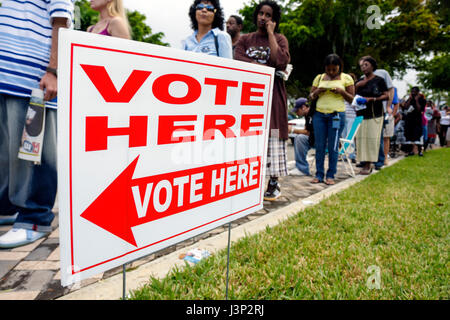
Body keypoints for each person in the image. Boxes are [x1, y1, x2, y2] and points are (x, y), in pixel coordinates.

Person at [0, 1, 74, 248]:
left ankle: (35, 218)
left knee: (34, 150)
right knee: (6, 151)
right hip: (6, 75)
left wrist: (54, 70)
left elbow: (62, 20)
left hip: (32, 76)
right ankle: (9, 207)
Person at [234, 0, 290, 200]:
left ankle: (274, 182)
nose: (263, 18)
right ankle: (248, 182)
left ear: (273, 20)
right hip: (249, 96)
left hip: (273, 96)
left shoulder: (280, 39)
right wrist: (264, 68)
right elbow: (238, 59)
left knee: (273, 134)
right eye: (261, 14)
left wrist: (271, 35)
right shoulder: (245, 39)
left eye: (268, 15)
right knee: (249, 135)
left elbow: (280, 62)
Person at [309, 54, 354, 185]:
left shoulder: (347, 78)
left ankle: (331, 175)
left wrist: (341, 92)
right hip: (319, 115)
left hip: (337, 115)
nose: (331, 72)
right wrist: (318, 91)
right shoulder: (319, 78)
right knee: (320, 146)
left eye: (334, 69)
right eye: (329, 69)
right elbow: (311, 96)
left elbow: (352, 99)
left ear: (340, 67)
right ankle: (318, 174)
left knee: (333, 146)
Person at [354, 56, 389, 174]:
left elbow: (386, 95)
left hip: (375, 114)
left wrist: (372, 99)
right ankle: (364, 162)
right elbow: (352, 95)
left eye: (366, 65)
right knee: (361, 139)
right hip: (361, 113)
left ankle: (369, 164)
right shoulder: (359, 81)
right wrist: (358, 86)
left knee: (371, 139)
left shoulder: (379, 80)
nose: (364, 67)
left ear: (372, 66)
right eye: (362, 66)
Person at [288, 98, 314, 176]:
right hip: (314, 139)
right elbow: (306, 130)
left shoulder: (312, 114)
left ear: (303, 107)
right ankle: (299, 165)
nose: (296, 113)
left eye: (297, 110)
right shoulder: (307, 116)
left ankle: (302, 169)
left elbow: (308, 132)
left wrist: (292, 130)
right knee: (299, 137)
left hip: (321, 141)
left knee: (300, 138)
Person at [403, 87, 426, 156]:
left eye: (414, 91)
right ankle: (410, 151)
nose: (413, 93)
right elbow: (405, 107)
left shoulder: (422, 100)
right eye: (412, 91)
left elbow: (420, 109)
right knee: (409, 136)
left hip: (417, 121)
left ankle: (420, 151)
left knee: (417, 136)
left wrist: (416, 100)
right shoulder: (409, 99)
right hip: (409, 120)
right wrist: (410, 99)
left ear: (418, 92)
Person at [341, 73, 357, 163]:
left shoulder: (353, 92)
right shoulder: (342, 91)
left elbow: (356, 105)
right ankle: (344, 155)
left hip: (351, 116)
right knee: (343, 136)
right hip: (343, 116)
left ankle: (352, 155)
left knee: (350, 136)